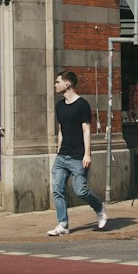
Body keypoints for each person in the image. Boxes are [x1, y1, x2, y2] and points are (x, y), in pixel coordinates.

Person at [48, 70, 108, 237]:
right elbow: (61, 129)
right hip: (62, 156)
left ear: (67, 84)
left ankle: (99, 208)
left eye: (58, 81)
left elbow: (86, 130)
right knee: (57, 189)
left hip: (77, 156)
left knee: (80, 191)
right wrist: (58, 149)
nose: (55, 85)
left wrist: (87, 154)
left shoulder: (82, 105)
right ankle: (62, 224)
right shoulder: (59, 106)